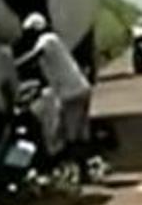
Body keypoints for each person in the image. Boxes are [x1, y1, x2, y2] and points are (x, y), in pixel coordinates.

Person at [16, 13, 92, 148]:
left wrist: (14, 66)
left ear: (36, 29)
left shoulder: (48, 39)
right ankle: (88, 162)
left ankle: (79, 163)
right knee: (77, 132)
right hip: (77, 89)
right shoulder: (52, 41)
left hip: (72, 93)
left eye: (30, 32)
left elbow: (35, 55)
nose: (28, 36)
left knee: (70, 136)